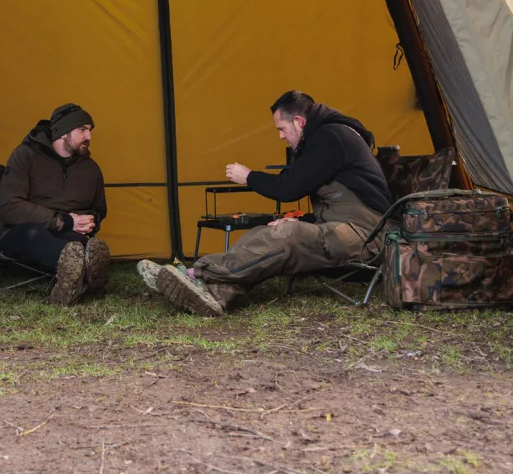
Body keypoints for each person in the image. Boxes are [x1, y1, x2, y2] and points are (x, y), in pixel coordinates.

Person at [138, 91, 391, 315]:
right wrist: (302, 220)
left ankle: (196, 274)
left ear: (299, 122)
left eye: (282, 129)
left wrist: (248, 177)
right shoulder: (327, 136)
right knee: (270, 230)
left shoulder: (331, 137)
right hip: (344, 229)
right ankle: (217, 294)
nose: (280, 136)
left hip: (366, 236)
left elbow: (288, 188)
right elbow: (332, 205)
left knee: (285, 235)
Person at [0, 103, 110, 304]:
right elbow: (9, 206)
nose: (89, 136)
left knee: (77, 243)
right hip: (22, 233)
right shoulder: (26, 156)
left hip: (67, 235)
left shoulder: (91, 169)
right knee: (34, 233)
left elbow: (99, 209)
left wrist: (90, 222)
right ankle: (82, 269)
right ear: (64, 132)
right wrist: (63, 220)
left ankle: (77, 272)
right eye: (83, 129)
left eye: (90, 130)